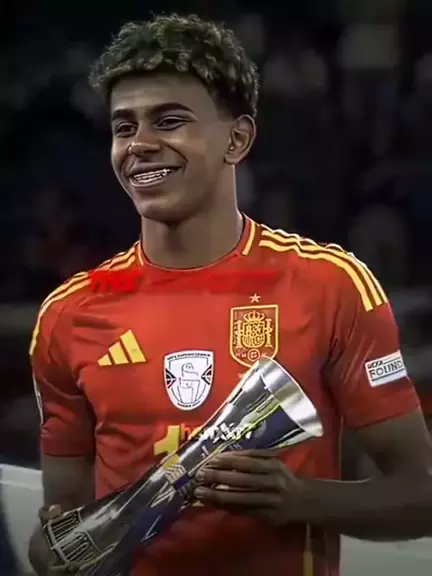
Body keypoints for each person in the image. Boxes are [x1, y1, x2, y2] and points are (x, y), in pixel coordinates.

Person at [28, 13, 432, 576]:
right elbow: (61, 535)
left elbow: (421, 495)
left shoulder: (329, 285)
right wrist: (54, 553)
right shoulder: (69, 314)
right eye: (124, 127)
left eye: (169, 121)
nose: (140, 144)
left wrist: (302, 499)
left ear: (237, 139)